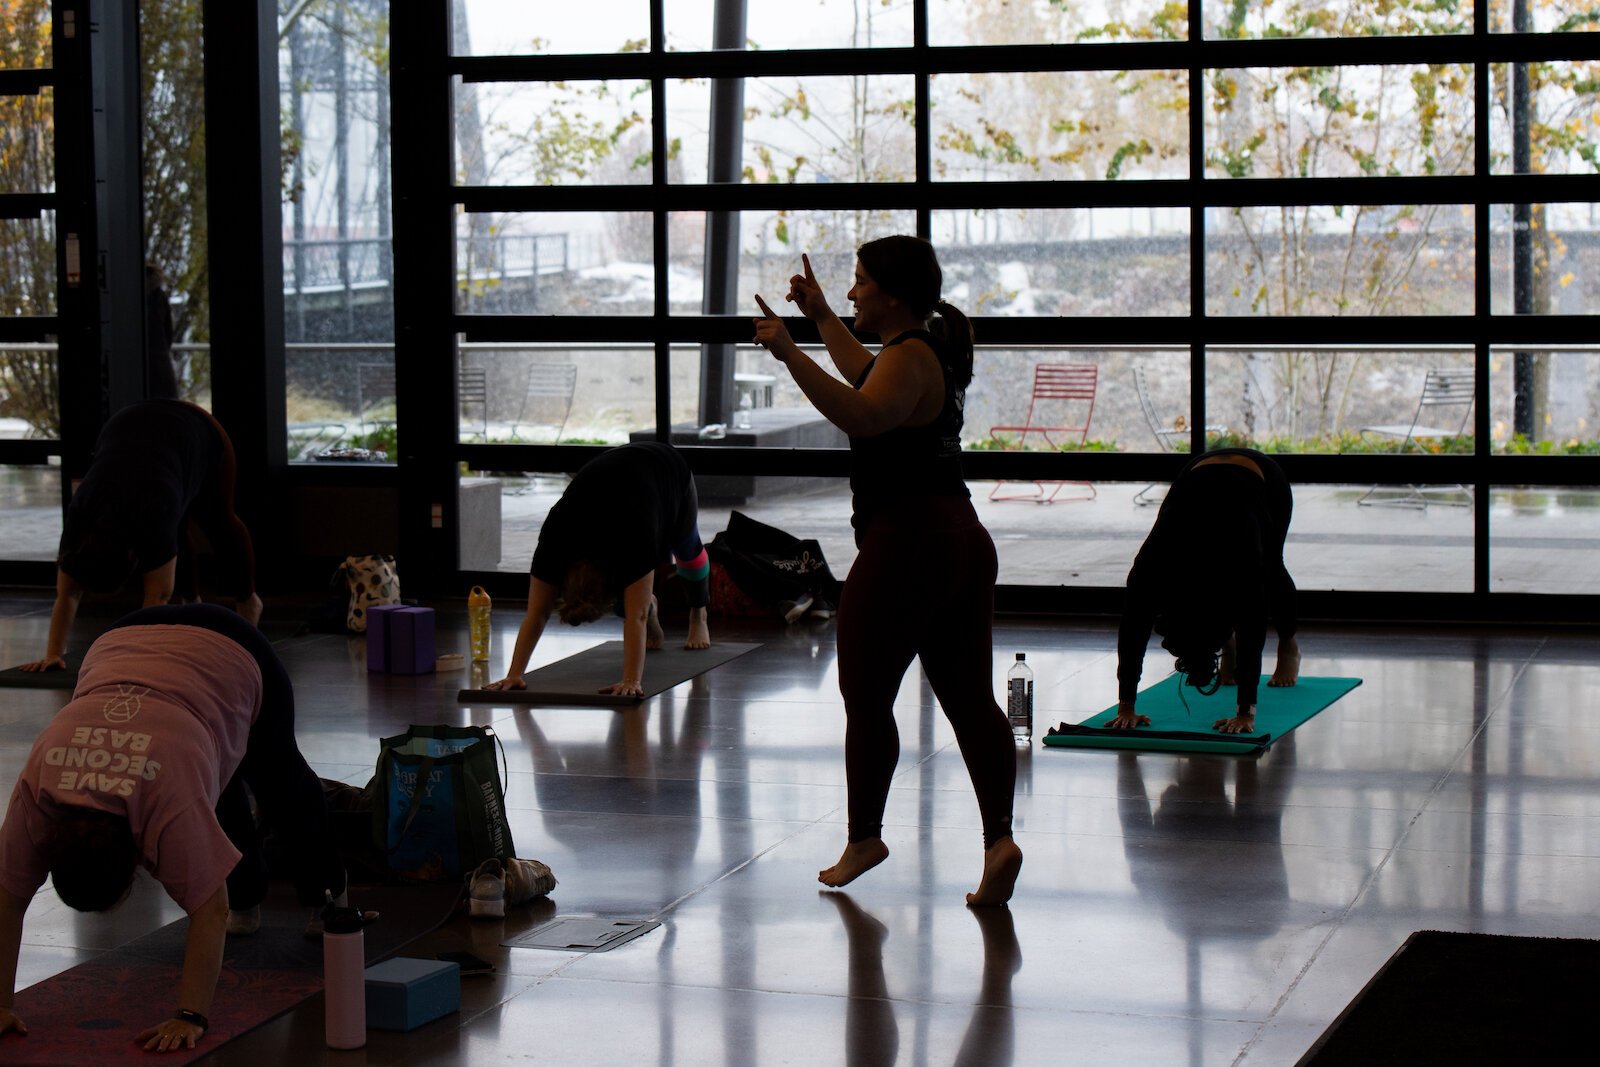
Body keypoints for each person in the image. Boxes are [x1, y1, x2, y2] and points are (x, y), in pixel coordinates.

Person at [753, 236, 1022, 907]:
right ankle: (999, 840)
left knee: (867, 698)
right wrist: (819, 320)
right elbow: (868, 378)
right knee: (970, 699)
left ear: (894, 293)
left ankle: (865, 836)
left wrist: (791, 354)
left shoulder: (909, 358)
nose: (851, 293)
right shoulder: (916, 352)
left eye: (860, 282)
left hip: (908, 547)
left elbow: (863, 413)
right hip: (959, 539)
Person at [0, 603, 345, 1052]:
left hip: (233, 648)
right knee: (209, 784)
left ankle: (330, 893)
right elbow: (6, 900)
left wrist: (190, 1017)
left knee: (279, 780)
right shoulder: (39, 796)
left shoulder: (165, 803)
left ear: (140, 854)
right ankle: (251, 894)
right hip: (122, 636)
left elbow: (210, 910)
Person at [18, 399, 262, 674]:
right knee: (174, 527)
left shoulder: (157, 510)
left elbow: (156, 598)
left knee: (219, 521)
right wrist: (52, 654)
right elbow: (67, 595)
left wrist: (138, 659)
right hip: (130, 431)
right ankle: (193, 605)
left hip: (198, 430)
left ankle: (249, 602)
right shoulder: (81, 514)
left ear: (132, 553)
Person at [484, 440, 712, 698]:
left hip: (665, 468)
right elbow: (536, 614)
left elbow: (634, 617)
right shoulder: (555, 541)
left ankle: (698, 614)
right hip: (619, 482)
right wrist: (514, 674)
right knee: (630, 603)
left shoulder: (634, 538)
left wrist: (631, 680)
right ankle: (648, 603)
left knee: (687, 550)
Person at [1107, 446, 1301, 735]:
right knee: (1225, 590)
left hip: (1262, 478)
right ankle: (1228, 648)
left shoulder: (1242, 559)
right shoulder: (1153, 566)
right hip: (1196, 477)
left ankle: (1289, 646)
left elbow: (1253, 625)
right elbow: (1133, 628)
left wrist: (1246, 712)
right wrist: (1126, 705)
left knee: (1271, 566)